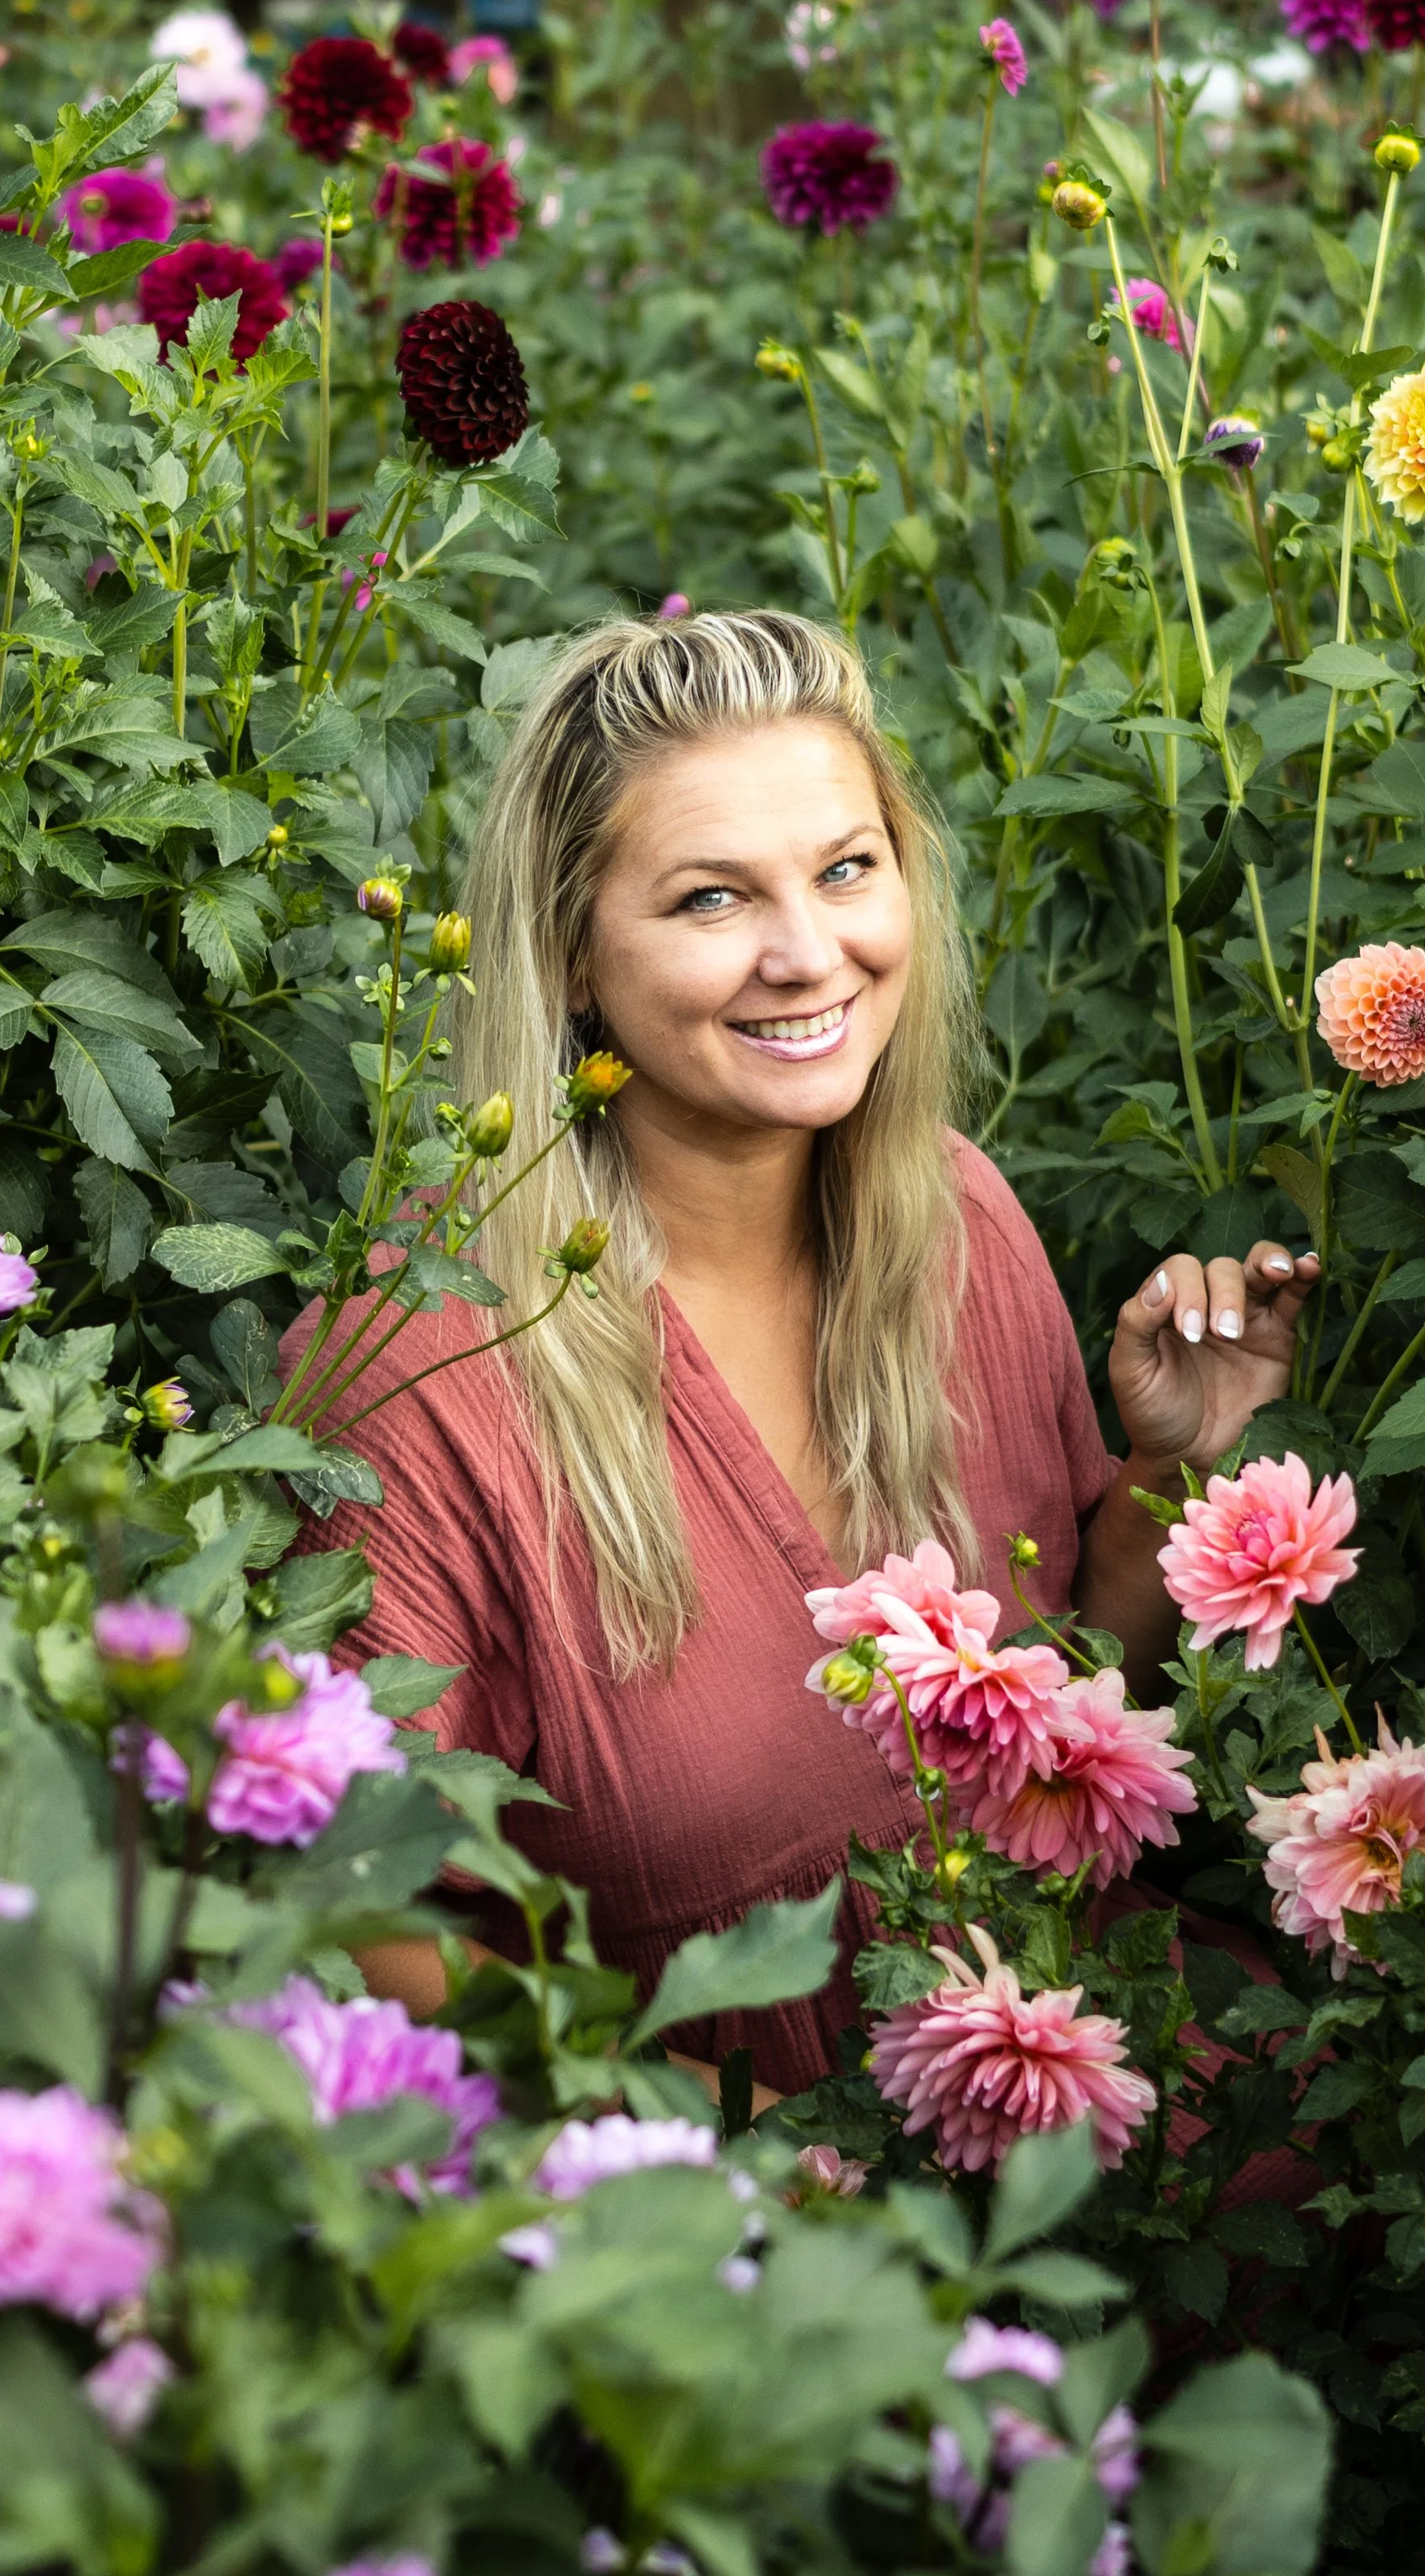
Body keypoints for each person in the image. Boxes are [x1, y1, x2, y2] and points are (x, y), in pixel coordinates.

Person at [292, 610, 1320, 2102]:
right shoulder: (429, 1363)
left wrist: (1169, 1473)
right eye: (713, 898)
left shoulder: (953, 1214)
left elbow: (1077, 1727)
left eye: (846, 869)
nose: (806, 952)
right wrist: (737, 2136)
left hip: (1082, 2051)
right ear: (574, 958)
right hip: (731, 2194)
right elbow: (336, 1909)